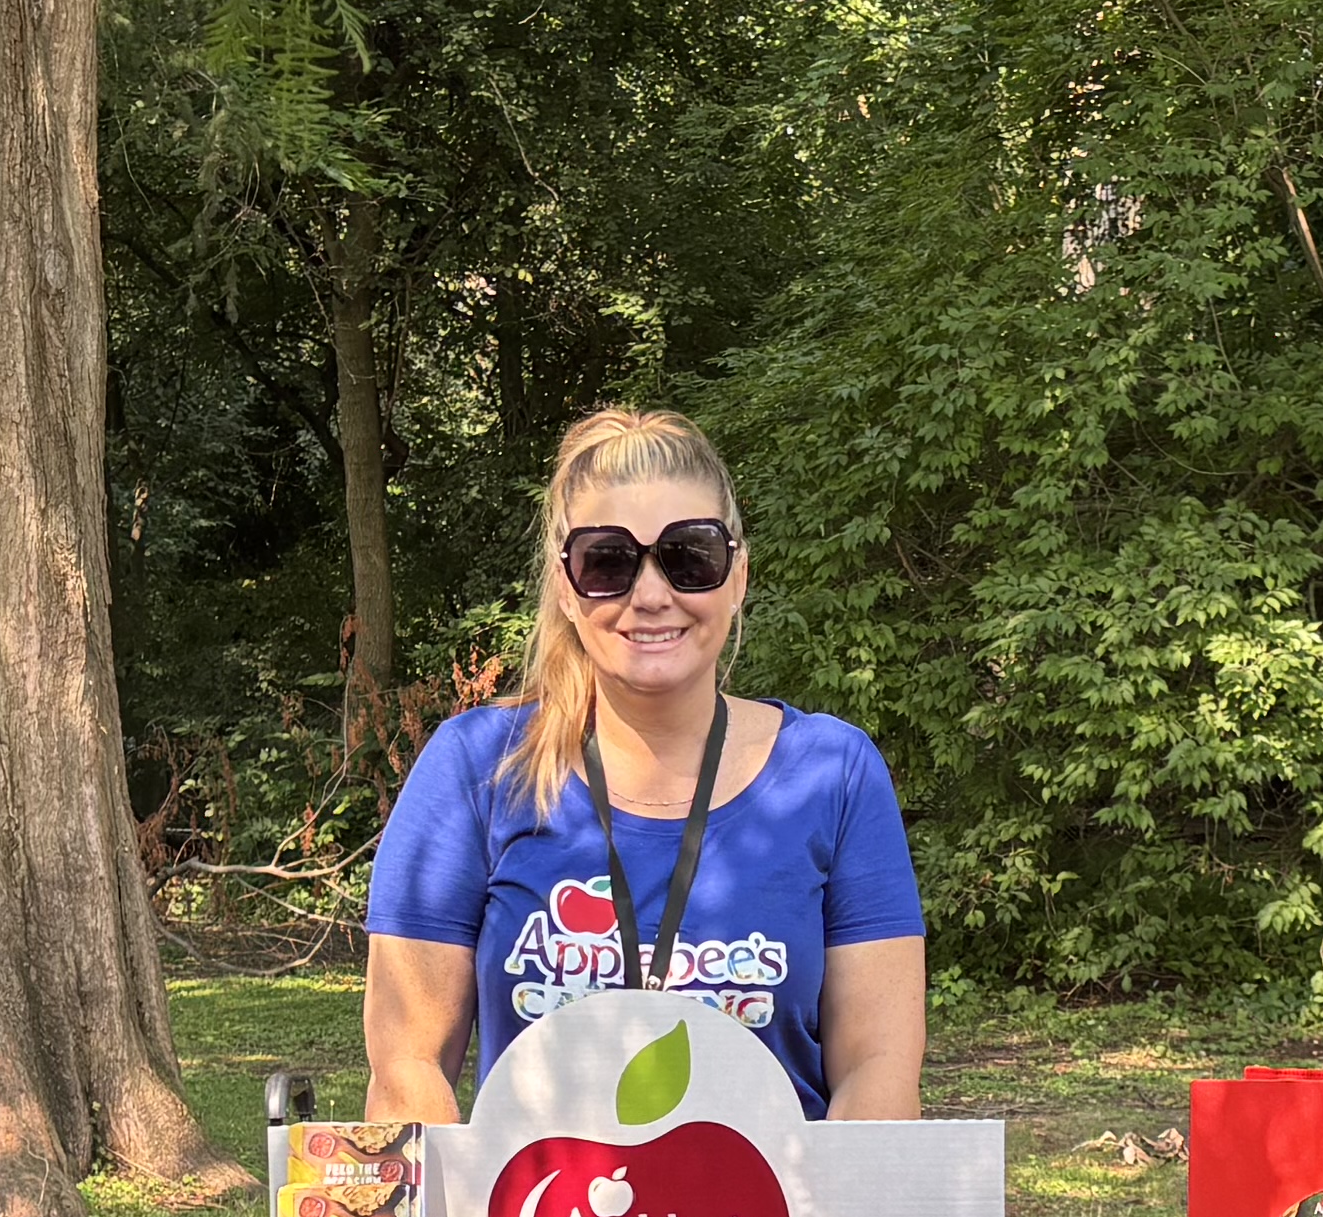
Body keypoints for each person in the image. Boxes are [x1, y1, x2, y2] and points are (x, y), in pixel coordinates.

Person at [365, 407, 924, 1122]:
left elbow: (878, 1069)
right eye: (608, 562)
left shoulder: (834, 775)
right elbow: (408, 1067)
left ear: (738, 576)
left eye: (690, 556)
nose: (652, 594)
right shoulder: (476, 768)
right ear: (566, 587)